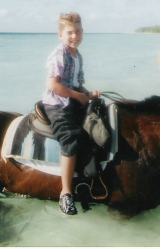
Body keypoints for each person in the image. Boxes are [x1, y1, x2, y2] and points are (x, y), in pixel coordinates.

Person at [43, 12, 100, 215]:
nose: (74, 36)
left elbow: (77, 84)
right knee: (70, 137)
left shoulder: (77, 56)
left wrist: (88, 94)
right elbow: (53, 85)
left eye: (77, 31)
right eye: (69, 32)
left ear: (82, 32)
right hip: (56, 104)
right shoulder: (59, 54)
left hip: (72, 100)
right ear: (60, 35)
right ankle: (65, 193)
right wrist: (78, 96)